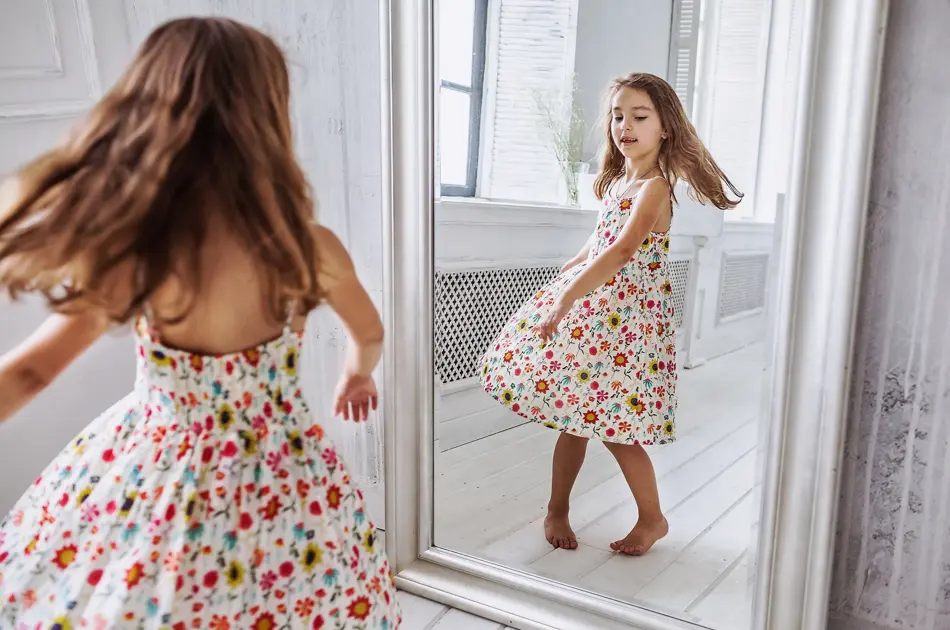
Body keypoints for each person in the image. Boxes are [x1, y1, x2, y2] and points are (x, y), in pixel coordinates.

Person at [0, 17, 399, 629]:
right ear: (269, 119)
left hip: (162, 478)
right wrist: (356, 376)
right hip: (283, 478)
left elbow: (28, 373)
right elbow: (369, 333)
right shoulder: (308, 248)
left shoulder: (147, 252)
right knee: (292, 602)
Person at [481, 73, 741, 556]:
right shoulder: (621, 182)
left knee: (617, 430)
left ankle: (652, 518)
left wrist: (566, 298)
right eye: (618, 116)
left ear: (665, 128)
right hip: (597, 317)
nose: (625, 125)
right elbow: (600, 241)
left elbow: (622, 252)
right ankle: (556, 508)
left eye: (640, 116)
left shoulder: (656, 188)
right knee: (573, 420)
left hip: (625, 328)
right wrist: (575, 264)